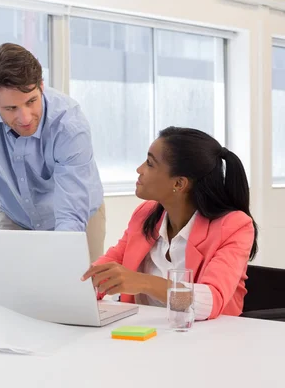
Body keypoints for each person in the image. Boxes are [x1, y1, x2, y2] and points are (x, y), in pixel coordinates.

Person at [0, 43, 104, 288]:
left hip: (75, 216)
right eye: (11, 108)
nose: (25, 118)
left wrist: (63, 277)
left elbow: (70, 215)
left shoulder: (69, 124)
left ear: (41, 86)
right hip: (15, 213)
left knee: (72, 296)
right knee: (8, 299)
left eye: (31, 101)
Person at [82, 127, 258, 320]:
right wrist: (82, 286)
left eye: (150, 164)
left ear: (179, 184)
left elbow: (210, 301)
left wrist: (144, 283)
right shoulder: (146, 214)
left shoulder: (234, 226)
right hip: (143, 336)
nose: (139, 170)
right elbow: (107, 267)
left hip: (206, 342)